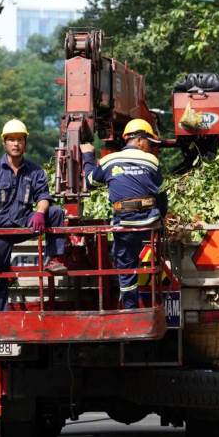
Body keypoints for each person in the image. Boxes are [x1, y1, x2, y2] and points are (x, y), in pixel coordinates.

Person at [0, 118, 67, 311]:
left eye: (20, 139)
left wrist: (40, 213)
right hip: (0, 230)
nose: (16, 143)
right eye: (11, 139)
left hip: (25, 223)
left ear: (25, 143)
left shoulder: (35, 171)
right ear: (4, 142)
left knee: (56, 212)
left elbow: (43, 195)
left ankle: (54, 259)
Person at [79, 118, 164, 309]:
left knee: (125, 265)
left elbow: (91, 181)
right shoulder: (152, 161)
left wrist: (88, 157)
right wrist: (164, 219)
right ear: (141, 140)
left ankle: (130, 306)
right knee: (145, 256)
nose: (150, 148)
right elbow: (161, 192)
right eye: (150, 144)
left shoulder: (110, 160)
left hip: (124, 224)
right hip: (149, 223)